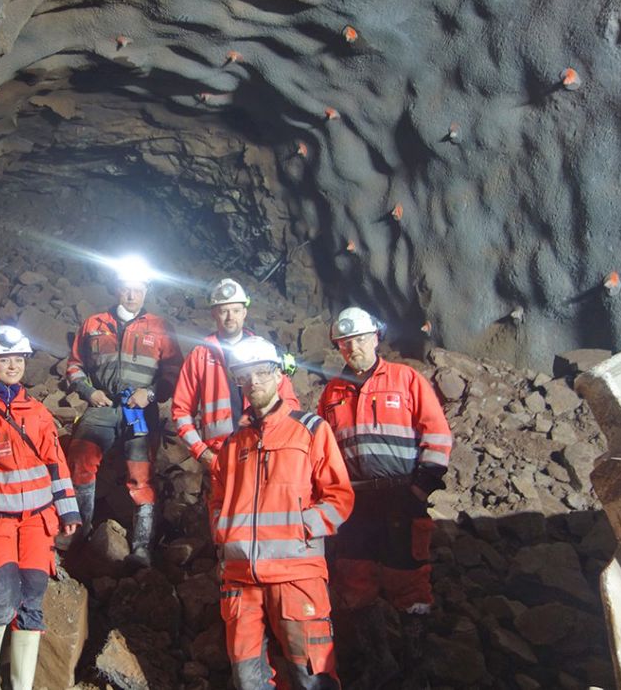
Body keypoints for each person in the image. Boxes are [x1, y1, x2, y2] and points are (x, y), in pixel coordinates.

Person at [316, 307, 452, 688]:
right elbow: (324, 453)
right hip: (355, 503)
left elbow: (437, 434)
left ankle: (416, 667)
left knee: (408, 578)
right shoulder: (332, 394)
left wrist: (420, 487)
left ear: (375, 338)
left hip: (400, 498)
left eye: (359, 339)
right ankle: (382, 662)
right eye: (345, 343)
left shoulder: (405, 379)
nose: (353, 348)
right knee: (354, 580)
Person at [210, 336, 353, 689]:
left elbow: (339, 497)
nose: (254, 382)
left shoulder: (310, 429)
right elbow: (217, 499)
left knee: (311, 677)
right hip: (242, 579)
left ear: (279, 376)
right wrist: (223, 534)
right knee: (248, 679)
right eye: (246, 375)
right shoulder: (232, 445)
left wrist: (301, 528)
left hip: (296, 577)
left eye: (262, 372)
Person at [0, 326, 81, 690]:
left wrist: (68, 511)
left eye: (18, 359)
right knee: (1, 592)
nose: (12, 366)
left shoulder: (36, 411)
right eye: (4, 360)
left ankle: (22, 684)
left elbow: (56, 463)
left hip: (38, 520)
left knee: (33, 594)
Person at [64, 254, 183, 566]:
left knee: (140, 475)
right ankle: (80, 532)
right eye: (126, 288)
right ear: (117, 289)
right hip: (103, 407)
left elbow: (173, 372)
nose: (132, 295)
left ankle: (142, 547)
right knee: (80, 458)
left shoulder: (159, 327)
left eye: (138, 289)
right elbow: (75, 366)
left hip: (140, 411)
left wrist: (152, 393)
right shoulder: (93, 324)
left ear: (145, 290)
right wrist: (89, 392)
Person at [172, 278, 300, 470]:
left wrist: (281, 444)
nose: (230, 317)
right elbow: (181, 411)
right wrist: (201, 452)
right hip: (220, 456)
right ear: (214, 314)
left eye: (236, 310)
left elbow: (289, 404)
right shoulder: (200, 355)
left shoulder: (263, 351)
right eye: (224, 311)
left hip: (263, 451)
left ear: (245, 313)